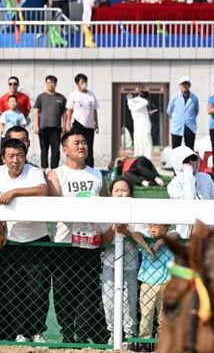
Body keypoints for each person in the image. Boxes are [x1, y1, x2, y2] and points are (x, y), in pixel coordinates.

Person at [46, 131, 108, 345]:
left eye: (84, 142)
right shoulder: (56, 174)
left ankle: (81, 336)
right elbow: (53, 206)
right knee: (63, 291)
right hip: (64, 242)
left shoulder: (97, 175)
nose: (82, 146)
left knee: (87, 291)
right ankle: (66, 333)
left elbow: (107, 205)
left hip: (91, 243)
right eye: (76, 143)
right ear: (64, 150)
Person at [0, 138, 49, 344]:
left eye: (19, 155)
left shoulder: (34, 172)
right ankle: (20, 332)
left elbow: (43, 190)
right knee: (14, 290)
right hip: (11, 241)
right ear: (3, 158)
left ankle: (36, 331)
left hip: (37, 240)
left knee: (38, 291)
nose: (15, 160)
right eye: (11, 156)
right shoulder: (0, 173)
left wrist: (14, 192)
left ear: (25, 156)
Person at [98, 178, 146, 344]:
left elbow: (142, 235)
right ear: (111, 194)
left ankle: (130, 334)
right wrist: (114, 227)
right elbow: (104, 240)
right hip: (110, 262)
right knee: (109, 300)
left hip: (131, 263)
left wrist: (127, 232)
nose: (120, 193)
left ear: (131, 193)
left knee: (129, 300)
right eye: (116, 190)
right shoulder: (106, 212)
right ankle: (112, 333)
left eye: (124, 190)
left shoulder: (137, 211)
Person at [167, 145, 214, 238]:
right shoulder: (173, 185)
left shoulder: (206, 177)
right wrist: (187, 172)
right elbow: (189, 201)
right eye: (186, 160)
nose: (191, 162)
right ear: (177, 163)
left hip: (208, 232)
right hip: (185, 235)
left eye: (193, 158)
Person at [138, 224, 177, 341]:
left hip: (166, 282)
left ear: (166, 228)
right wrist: (147, 247)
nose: (152, 230)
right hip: (148, 282)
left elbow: (175, 234)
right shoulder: (146, 238)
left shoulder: (169, 239)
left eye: (156, 227)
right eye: (150, 226)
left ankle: (163, 342)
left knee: (164, 316)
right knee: (146, 315)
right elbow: (135, 234)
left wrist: (159, 243)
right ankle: (144, 341)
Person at [65, 74, 99, 167]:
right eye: (82, 82)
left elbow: (95, 110)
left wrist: (96, 123)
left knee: (88, 147)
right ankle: (76, 164)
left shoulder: (91, 95)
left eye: (85, 82)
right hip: (77, 123)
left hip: (89, 125)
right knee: (77, 145)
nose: (84, 84)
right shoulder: (73, 95)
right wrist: (67, 124)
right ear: (77, 84)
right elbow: (69, 111)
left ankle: (89, 166)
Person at [167, 76, 199, 149]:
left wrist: (188, 117)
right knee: (176, 149)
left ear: (189, 85)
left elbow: (196, 111)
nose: (184, 86)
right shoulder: (174, 97)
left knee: (190, 150)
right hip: (177, 126)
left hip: (190, 127)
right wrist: (177, 118)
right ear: (179, 85)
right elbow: (169, 111)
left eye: (186, 84)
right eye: (183, 84)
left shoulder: (194, 98)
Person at [127, 88, 153, 159]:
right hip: (144, 129)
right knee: (147, 149)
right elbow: (145, 102)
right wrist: (140, 96)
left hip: (137, 129)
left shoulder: (134, 104)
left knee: (138, 150)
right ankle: (148, 165)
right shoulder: (141, 103)